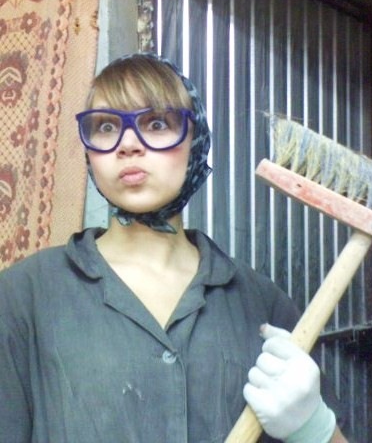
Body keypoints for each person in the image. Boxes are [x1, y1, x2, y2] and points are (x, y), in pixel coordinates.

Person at [0, 53, 349, 442]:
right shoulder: (22, 296)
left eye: (156, 123)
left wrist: (313, 426)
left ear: (195, 141)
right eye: (106, 127)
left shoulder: (262, 304)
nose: (127, 144)